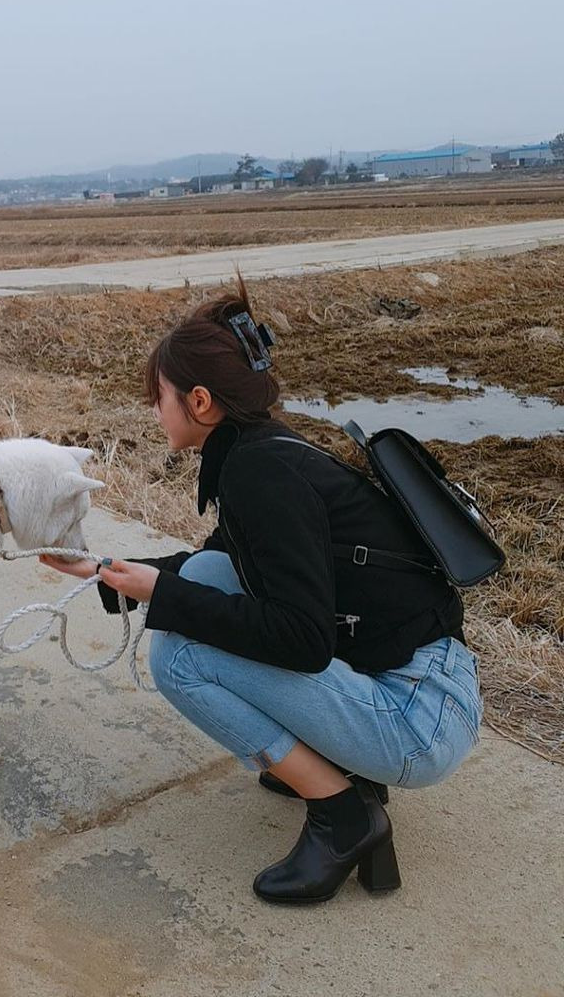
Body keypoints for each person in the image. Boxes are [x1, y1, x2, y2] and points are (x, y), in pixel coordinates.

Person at [40, 279, 482, 905]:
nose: (153, 410)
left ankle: (343, 813)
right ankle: (335, 765)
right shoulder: (261, 450)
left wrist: (161, 594)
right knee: (201, 580)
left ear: (198, 401)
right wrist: (106, 569)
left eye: (157, 397)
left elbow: (302, 641)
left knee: (178, 657)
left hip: (419, 721)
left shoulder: (258, 474)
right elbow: (221, 564)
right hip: (414, 675)